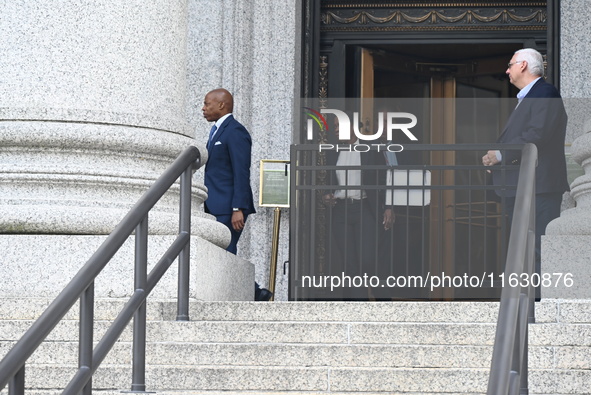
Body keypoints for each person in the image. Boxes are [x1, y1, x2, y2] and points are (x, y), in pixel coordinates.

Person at [481, 48, 568, 292]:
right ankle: (528, 302)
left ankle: (536, 306)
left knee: (536, 248)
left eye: (510, 65)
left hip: (538, 187)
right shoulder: (530, 97)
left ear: (522, 66)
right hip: (526, 186)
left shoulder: (545, 93)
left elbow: (537, 134)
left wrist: (500, 155)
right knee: (524, 248)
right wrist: (497, 162)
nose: (507, 71)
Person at [202, 88, 272, 301]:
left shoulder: (235, 131)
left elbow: (241, 171)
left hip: (228, 207)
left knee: (225, 252)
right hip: (214, 205)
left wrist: (237, 208)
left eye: (207, 104)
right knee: (223, 253)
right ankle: (256, 293)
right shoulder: (216, 131)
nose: (203, 109)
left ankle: (256, 293)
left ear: (221, 105)